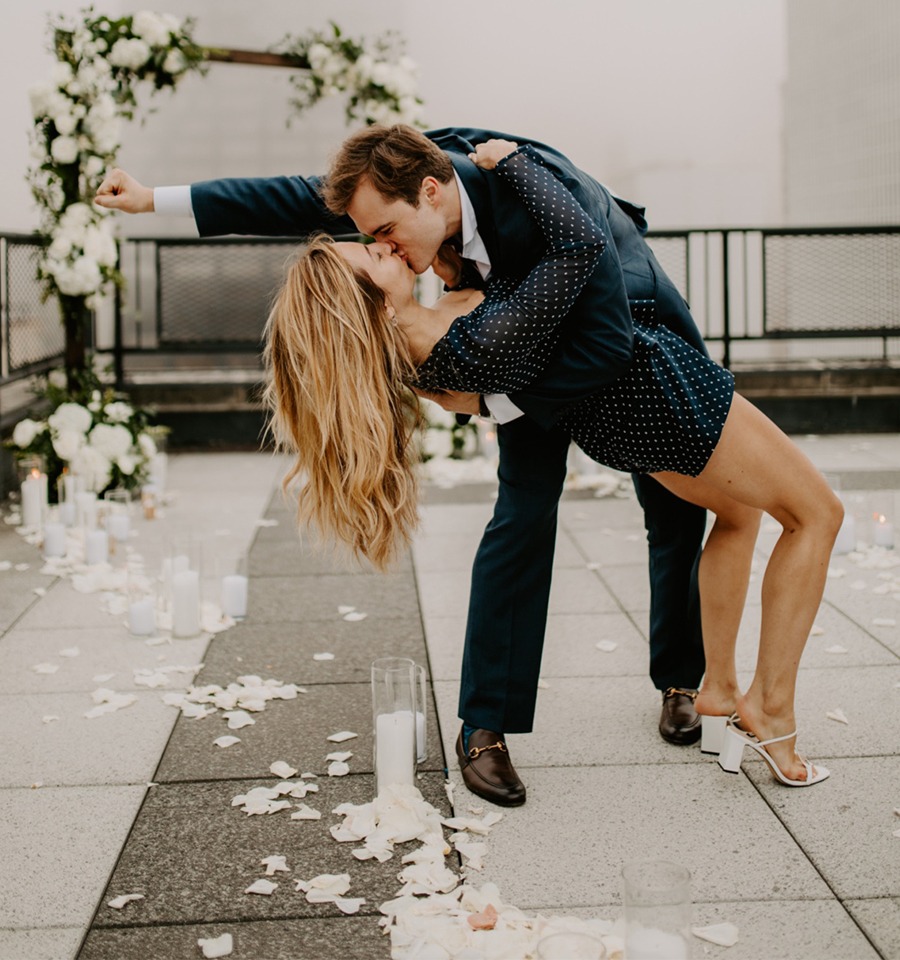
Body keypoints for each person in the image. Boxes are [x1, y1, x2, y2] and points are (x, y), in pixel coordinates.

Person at [98, 124, 712, 806]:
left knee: (676, 504)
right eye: (372, 237)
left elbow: (603, 341)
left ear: (431, 194)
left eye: (387, 232)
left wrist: (496, 403)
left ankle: (682, 678)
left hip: (626, 315)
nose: (380, 245)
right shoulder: (394, 188)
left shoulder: (526, 188)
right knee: (523, 512)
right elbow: (289, 198)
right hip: (508, 338)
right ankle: (483, 730)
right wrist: (154, 199)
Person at [266, 139, 841, 787]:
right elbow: (577, 250)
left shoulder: (429, 332)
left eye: (378, 235)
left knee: (736, 517)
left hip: (628, 417)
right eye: (374, 250)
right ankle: (770, 709)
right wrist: (516, 162)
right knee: (817, 515)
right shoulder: (460, 338)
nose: (384, 246)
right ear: (373, 305)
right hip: (656, 393)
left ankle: (716, 686)